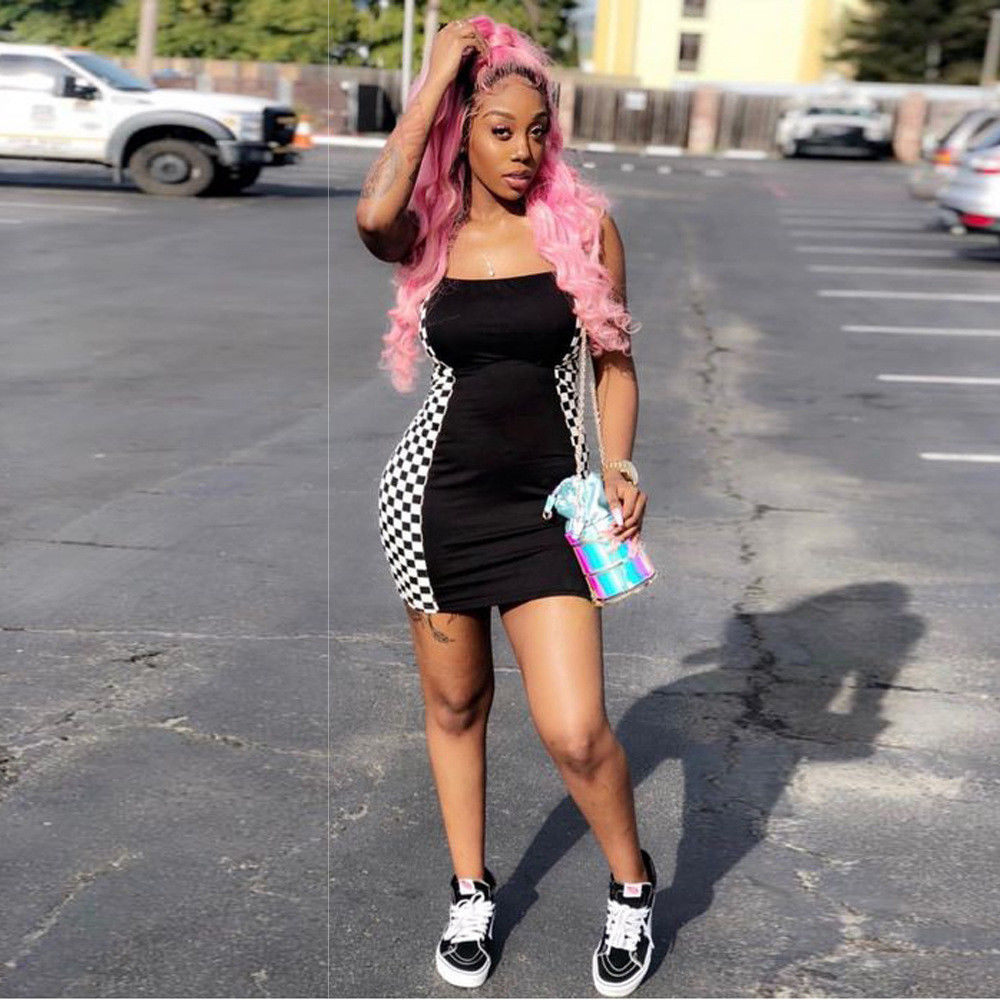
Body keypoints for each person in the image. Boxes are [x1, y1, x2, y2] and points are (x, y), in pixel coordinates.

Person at [355, 15, 656, 998]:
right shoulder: (431, 231)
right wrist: (436, 77)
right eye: (499, 130)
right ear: (462, 130)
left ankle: (631, 887)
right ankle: (470, 891)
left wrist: (619, 462)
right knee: (455, 706)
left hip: (550, 511)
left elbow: (614, 364)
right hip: (431, 506)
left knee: (575, 730)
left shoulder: (582, 230)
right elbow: (372, 217)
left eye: (536, 130)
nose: (523, 149)